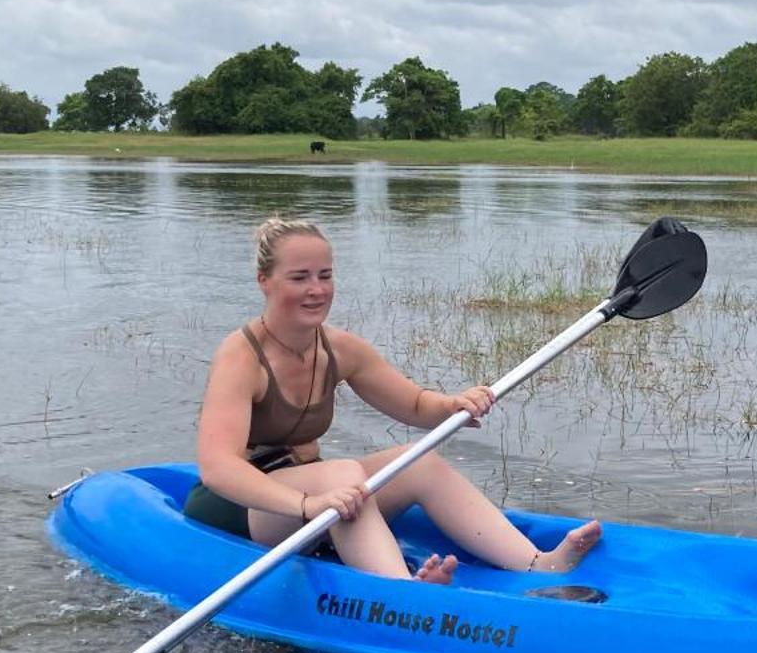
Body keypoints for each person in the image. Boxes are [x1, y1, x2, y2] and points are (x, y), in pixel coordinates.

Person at [184, 217, 601, 585]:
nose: (316, 290)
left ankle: (537, 563)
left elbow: (417, 405)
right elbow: (219, 469)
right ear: (264, 281)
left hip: (311, 492)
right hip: (239, 505)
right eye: (299, 278)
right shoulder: (240, 357)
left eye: (324, 276)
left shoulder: (341, 349)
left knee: (420, 461)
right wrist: (308, 505)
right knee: (343, 475)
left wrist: (453, 404)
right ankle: (402, 593)